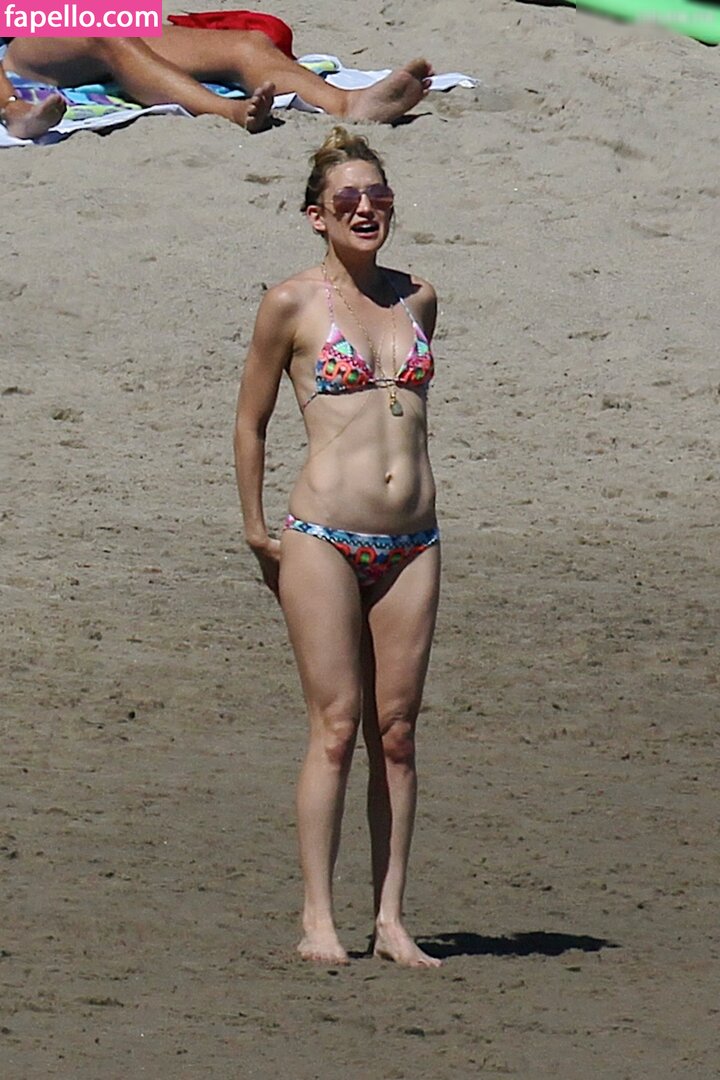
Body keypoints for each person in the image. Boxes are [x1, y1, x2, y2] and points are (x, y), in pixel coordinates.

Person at [234, 127, 442, 968]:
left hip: (414, 540)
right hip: (322, 533)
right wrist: (256, 528)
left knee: (397, 733)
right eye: (347, 198)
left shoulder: (418, 298)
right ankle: (318, 918)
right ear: (315, 215)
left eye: (377, 196)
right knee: (335, 725)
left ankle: (390, 919)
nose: (365, 209)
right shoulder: (291, 303)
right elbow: (251, 421)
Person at [0, 30, 433, 138]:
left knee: (247, 44)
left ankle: (345, 103)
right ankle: (14, 110)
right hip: (19, 39)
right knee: (105, 32)